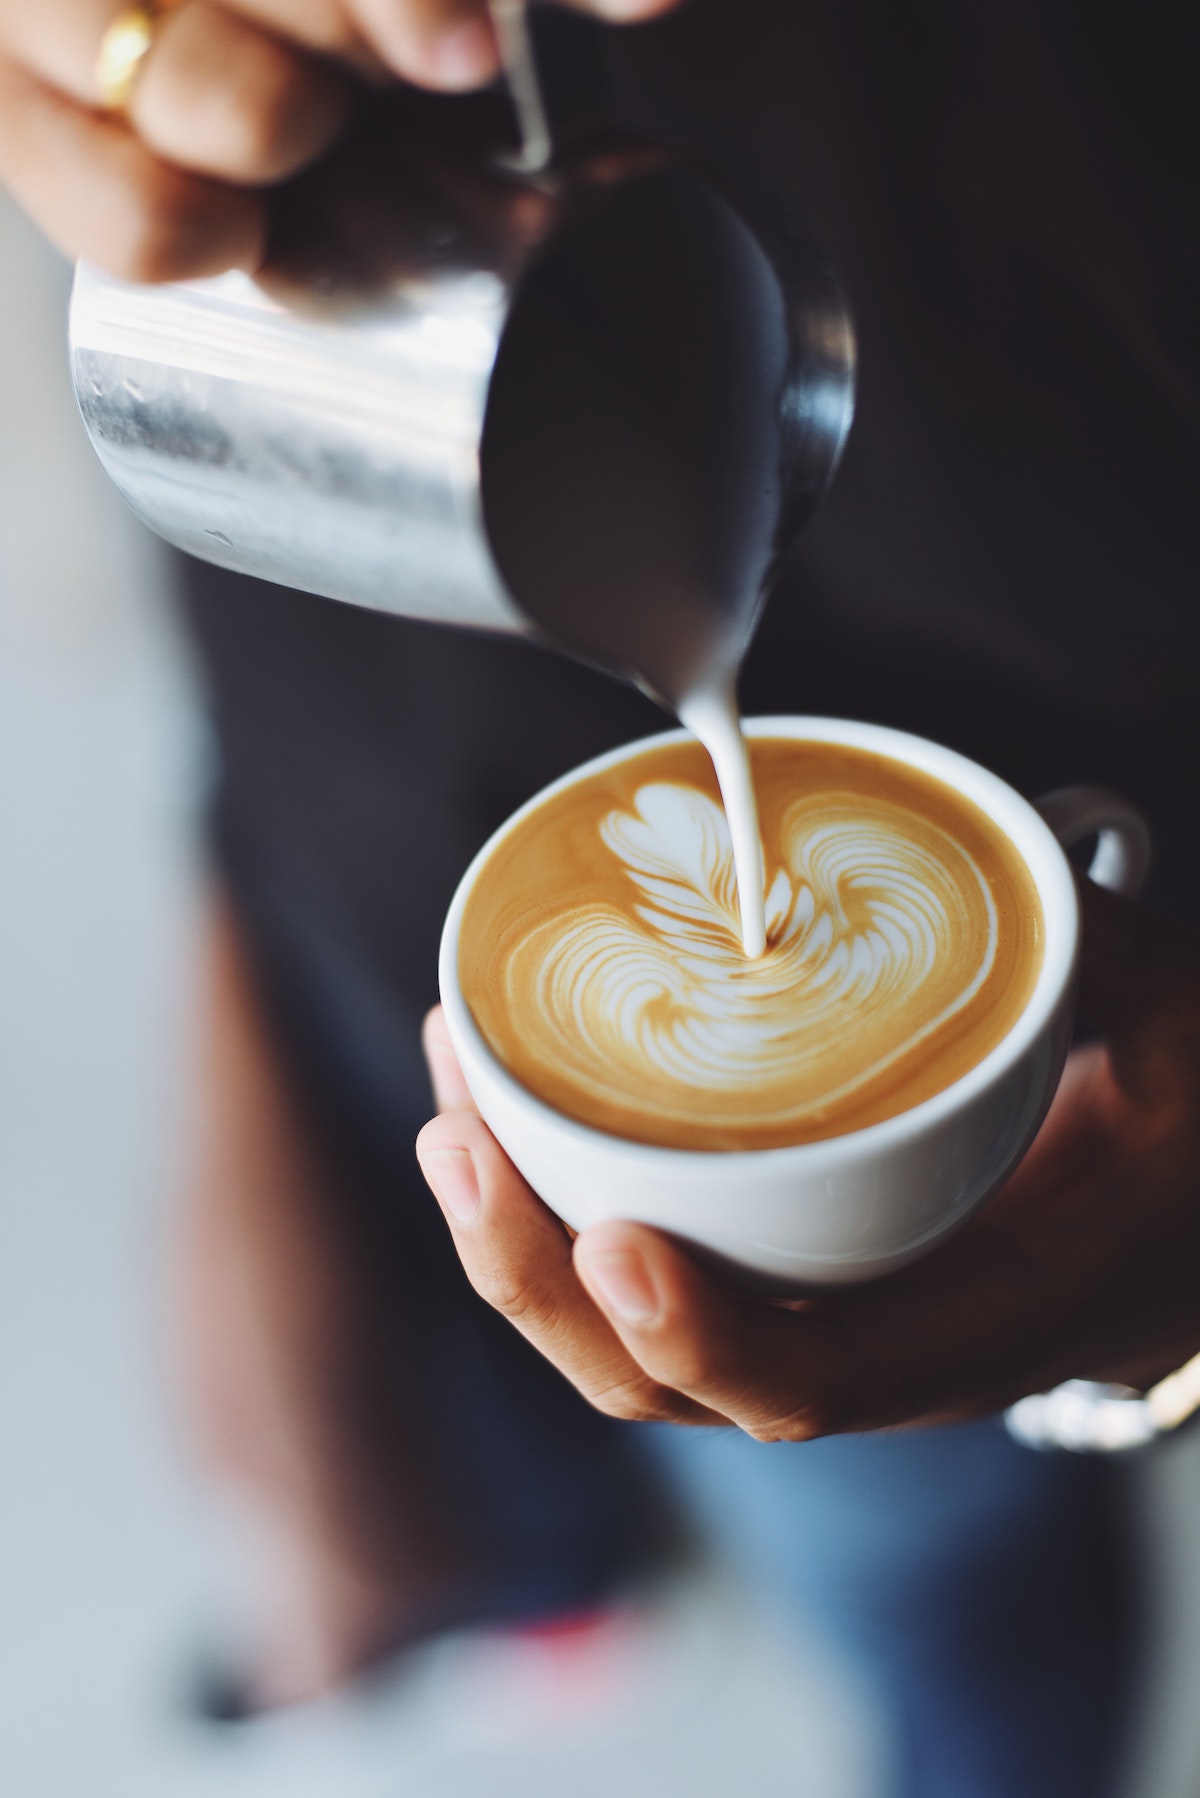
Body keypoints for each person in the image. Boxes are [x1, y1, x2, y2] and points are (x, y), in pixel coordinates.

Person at [5, 0, 1196, 1789]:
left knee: (919, 1566)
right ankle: (547, 1570)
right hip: (344, 744)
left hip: (997, 1180)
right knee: (423, 1331)